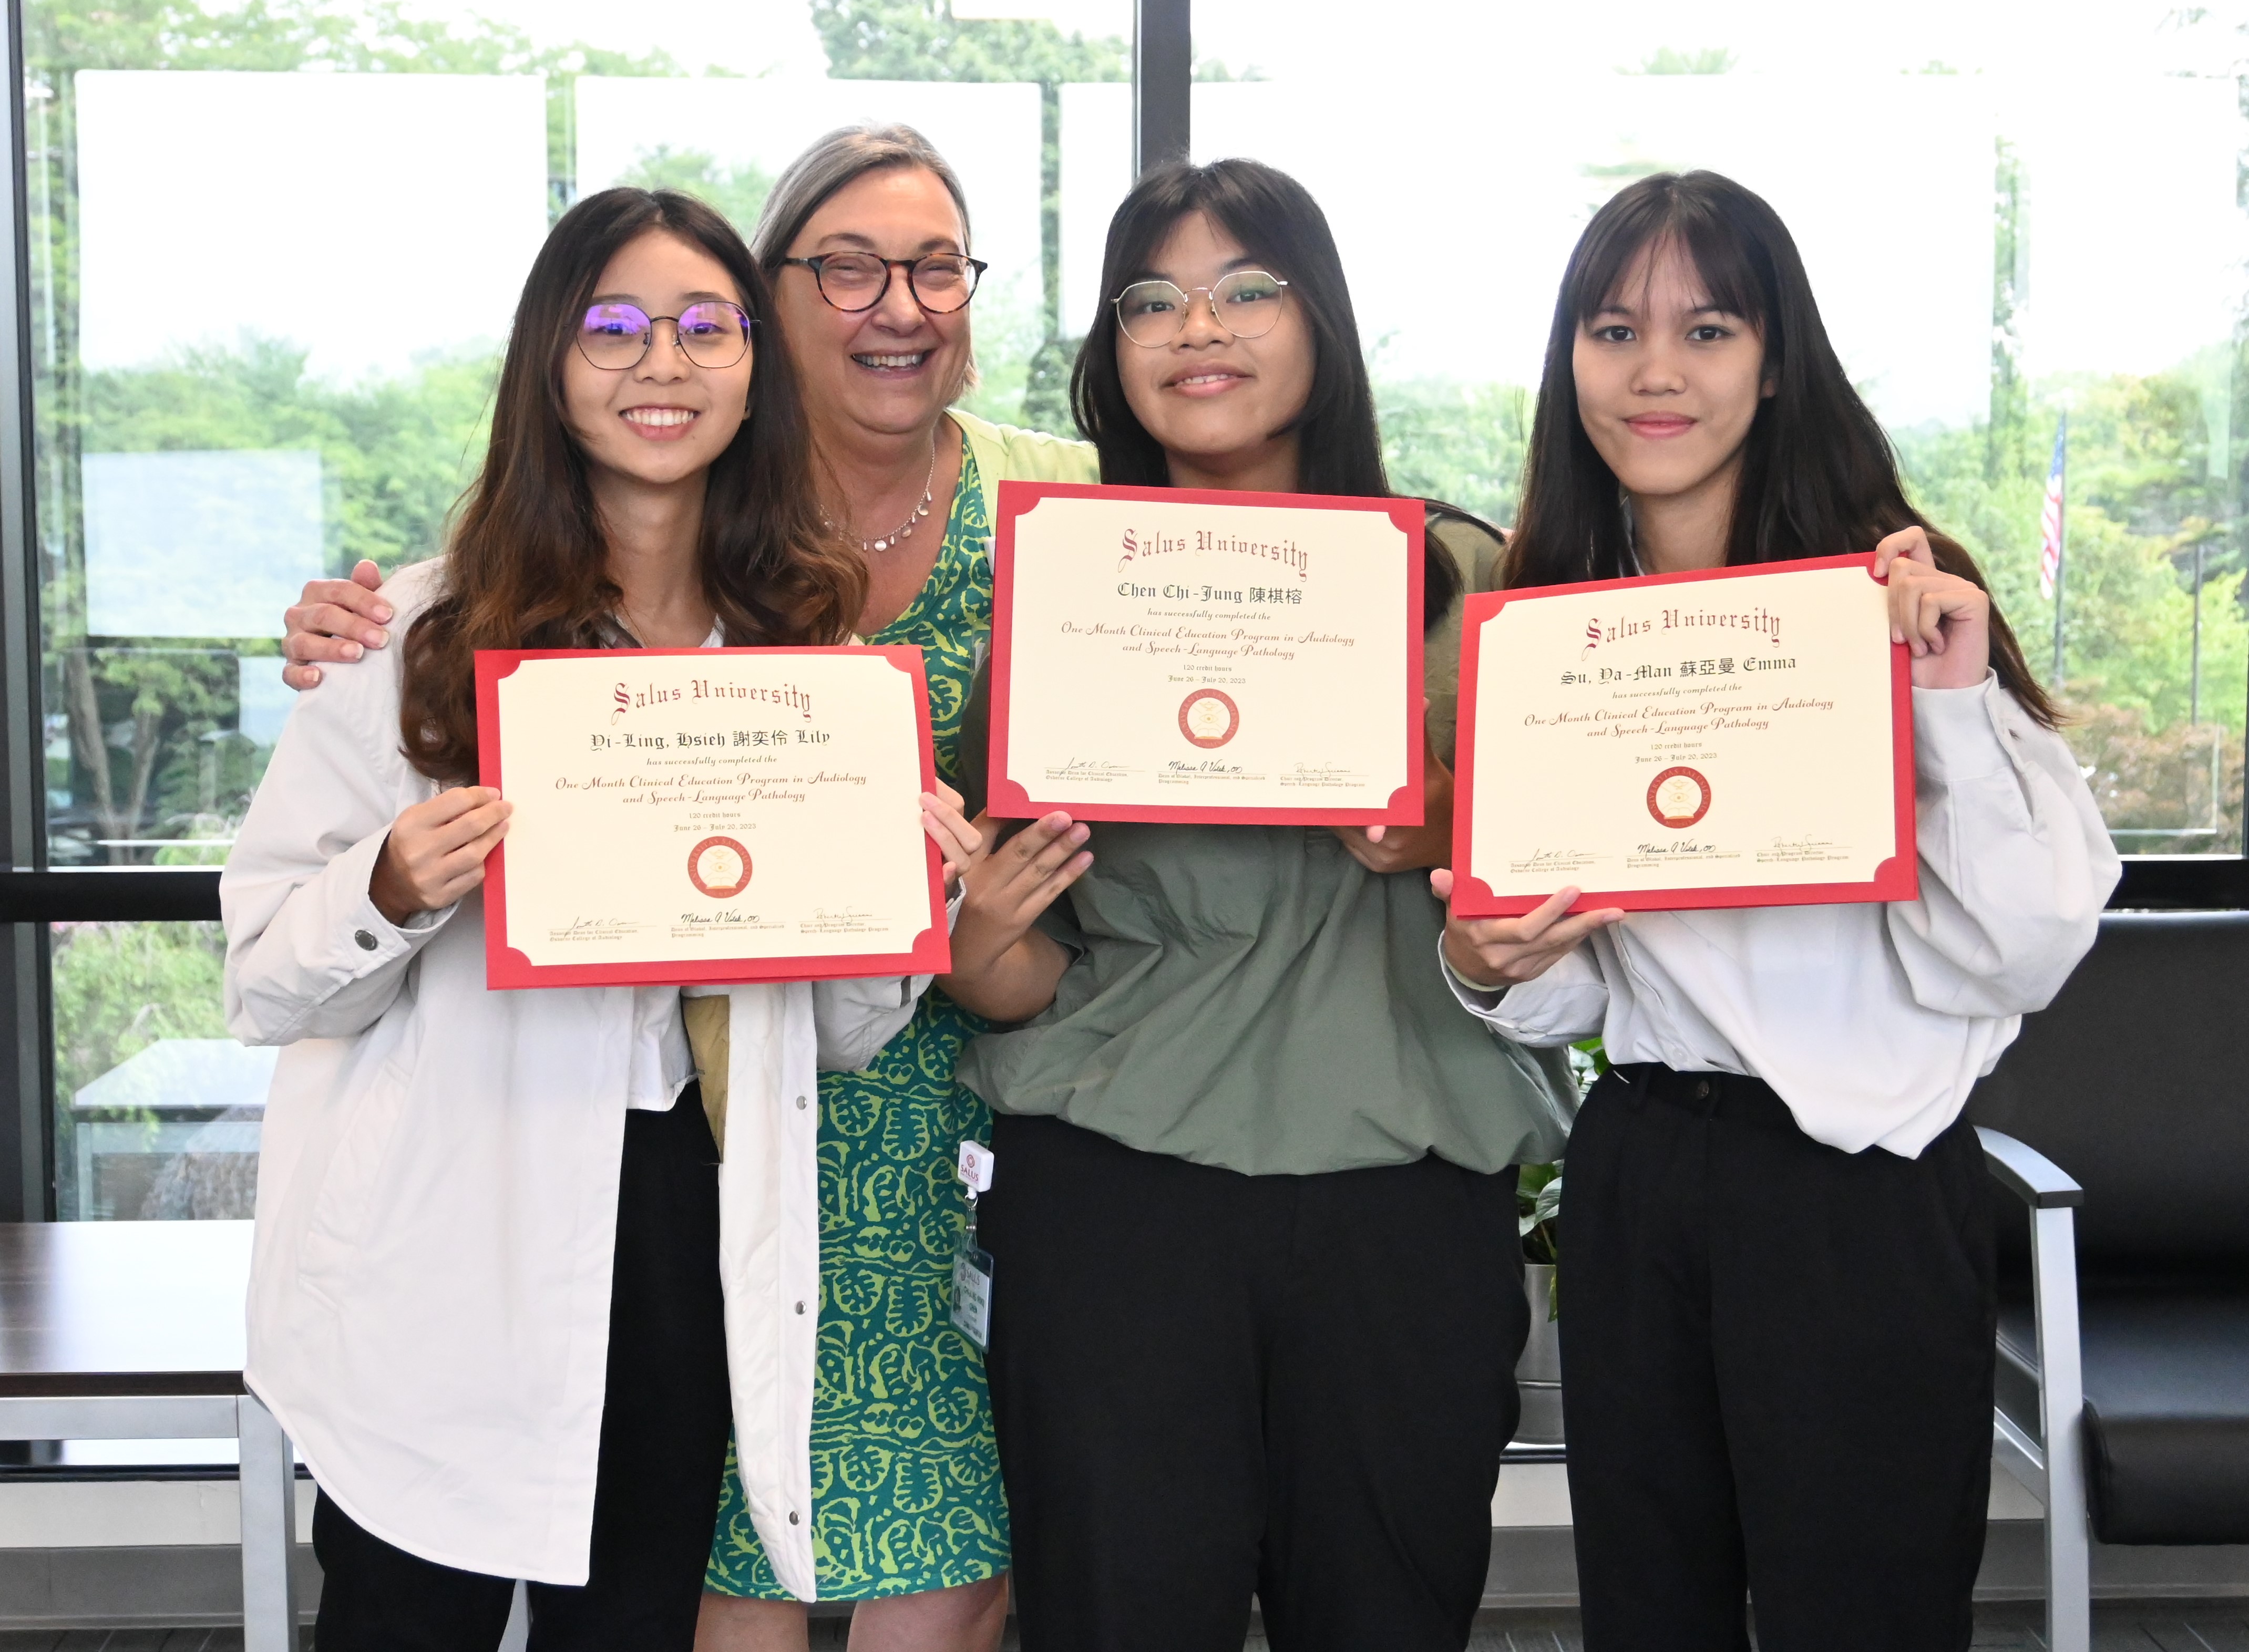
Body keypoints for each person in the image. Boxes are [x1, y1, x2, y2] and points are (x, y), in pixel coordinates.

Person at [275, 126, 1097, 1652]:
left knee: (635, 1617)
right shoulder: (411, 639)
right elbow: (262, 968)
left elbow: (836, 1035)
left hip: (692, 1216)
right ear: (551, 367)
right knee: (404, 1614)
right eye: (615, 328)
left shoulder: (807, 673)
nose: (663, 362)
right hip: (456, 1223)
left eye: (701, 329)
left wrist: (896, 908)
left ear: (749, 372)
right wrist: (392, 880)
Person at [1435, 171, 2119, 1652]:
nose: (1657, 371)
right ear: (1570, 363)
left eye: (1710, 327)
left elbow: (2018, 947)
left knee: (1862, 1618)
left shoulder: (1901, 603)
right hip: (1642, 1174)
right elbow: (1584, 988)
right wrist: (1485, 962)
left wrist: (1940, 701)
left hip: (1855, 1197)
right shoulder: (1564, 619)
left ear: (1776, 355)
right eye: (1613, 331)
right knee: (1650, 1613)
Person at [936, 158, 1578, 1652]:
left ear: (1322, 325)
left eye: (1244, 289)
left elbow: (1572, 925)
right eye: (1149, 300)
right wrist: (973, 951)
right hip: (1117, 1202)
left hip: (1406, 1207)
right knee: (1117, 1617)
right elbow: (1032, 973)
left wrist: (1440, 834)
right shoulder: (1062, 599)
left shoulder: (1473, 587)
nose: (1193, 328)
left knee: (1386, 1617)